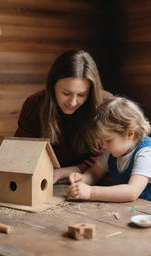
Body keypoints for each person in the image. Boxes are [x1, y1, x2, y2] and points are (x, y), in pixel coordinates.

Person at [14, 50, 112, 183]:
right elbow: (22, 148)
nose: (72, 102)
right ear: (53, 85)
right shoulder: (34, 104)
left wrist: (64, 172)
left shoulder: (105, 105)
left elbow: (106, 155)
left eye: (81, 95)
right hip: (45, 177)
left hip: (92, 179)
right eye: (66, 93)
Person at [68, 96, 151, 206]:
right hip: (131, 211)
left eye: (108, 140)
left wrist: (91, 192)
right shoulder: (111, 152)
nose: (103, 146)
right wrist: (83, 179)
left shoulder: (147, 155)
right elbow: (95, 173)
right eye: (101, 141)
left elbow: (131, 192)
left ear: (129, 134)